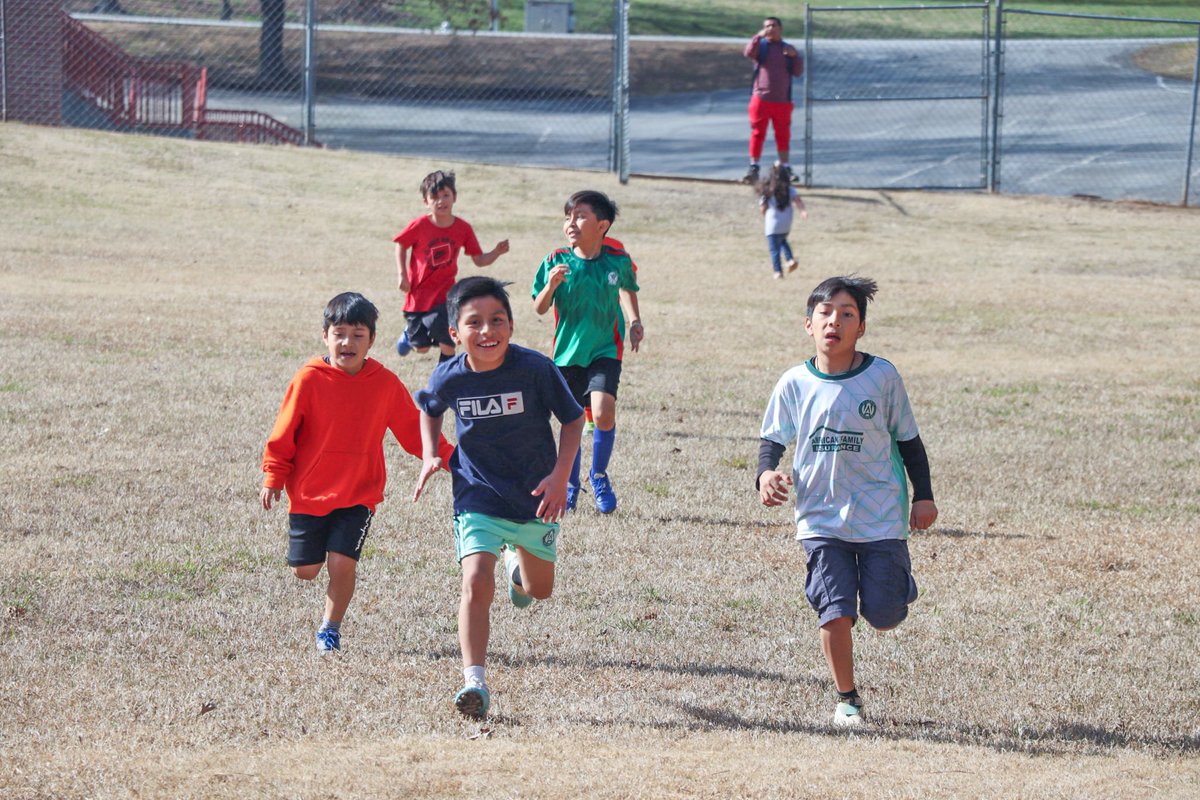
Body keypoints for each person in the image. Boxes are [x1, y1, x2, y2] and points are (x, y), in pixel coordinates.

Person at [755, 276, 938, 727]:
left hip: (880, 518)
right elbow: (770, 440)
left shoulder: (882, 377)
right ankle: (847, 698)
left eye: (847, 314)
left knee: (883, 614)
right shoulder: (795, 382)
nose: (835, 320)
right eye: (825, 312)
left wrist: (924, 497)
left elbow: (910, 442)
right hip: (820, 519)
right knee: (834, 610)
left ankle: (894, 589)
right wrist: (765, 476)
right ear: (808, 324)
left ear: (861, 328)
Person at [412, 276, 584, 718]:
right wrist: (432, 454)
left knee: (539, 590)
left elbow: (572, 420)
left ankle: (517, 570)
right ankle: (475, 681)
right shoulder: (448, 374)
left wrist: (560, 476)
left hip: (534, 494)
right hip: (477, 492)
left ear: (510, 325)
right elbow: (429, 408)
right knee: (474, 581)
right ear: (455, 333)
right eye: (475, 323)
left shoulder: (534, 369)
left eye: (497, 320)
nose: (487, 331)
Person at [260, 292, 454, 653]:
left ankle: (329, 629)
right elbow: (283, 433)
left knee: (341, 563)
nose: (348, 342)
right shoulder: (309, 379)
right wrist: (273, 476)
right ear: (325, 336)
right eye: (340, 333)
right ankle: (314, 580)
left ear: (372, 340)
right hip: (310, 491)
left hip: (359, 492)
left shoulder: (383, 383)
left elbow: (413, 429)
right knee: (306, 570)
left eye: (358, 334)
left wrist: (445, 456)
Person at [532, 190, 643, 514]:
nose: (571, 223)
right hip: (567, 355)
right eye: (568, 216)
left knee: (603, 410)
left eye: (580, 216)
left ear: (602, 225)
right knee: (574, 420)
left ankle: (598, 475)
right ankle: (569, 481)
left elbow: (628, 288)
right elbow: (539, 307)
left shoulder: (617, 261)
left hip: (606, 349)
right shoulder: (555, 261)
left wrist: (634, 320)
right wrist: (551, 286)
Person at [393, 169, 510, 362]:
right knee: (421, 348)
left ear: (454, 197)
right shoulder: (420, 225)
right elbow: (401, 245)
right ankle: (409, 334)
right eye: (435, 197)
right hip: (418, 296)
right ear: (426, 202)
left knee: (448, 342)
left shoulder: (463, 228)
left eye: (446, 195)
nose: (441, 201)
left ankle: (444, 380)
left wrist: (496, 252)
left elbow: (479, 260)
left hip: (445, 296)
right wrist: (402, 275)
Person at [742, 16, 804, 185]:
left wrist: (795, 56)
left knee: (783, 135)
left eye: (773, 25)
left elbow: (798, 72)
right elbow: (747, 52)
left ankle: (785, 167)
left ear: (780, 28)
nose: (770, 28)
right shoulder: (761, 46)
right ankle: (753, 167)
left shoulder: (787, 49)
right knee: (757, 133)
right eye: (767, 26)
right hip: (761, 100)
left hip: (783, 102)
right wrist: (758, 36)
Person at [758, 162, 808, 279]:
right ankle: (790, 259)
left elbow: (762, 208)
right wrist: (803, 211)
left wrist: (764, 214)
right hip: (786, 223)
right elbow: (798, 201)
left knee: (774, 249)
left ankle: (778, 272)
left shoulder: (768, 190)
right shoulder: (790, 189)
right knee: (782, 241)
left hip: (772, 223)